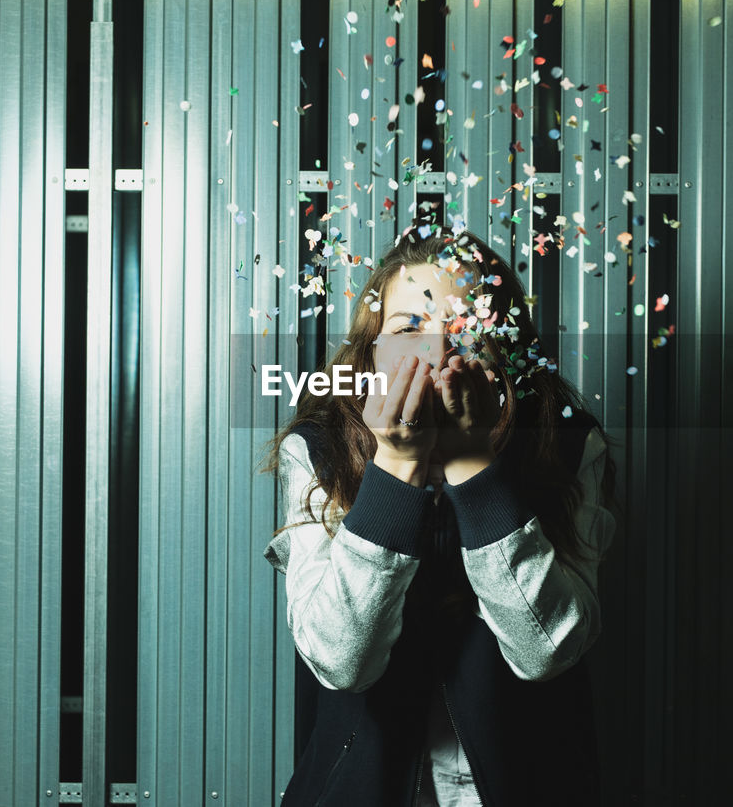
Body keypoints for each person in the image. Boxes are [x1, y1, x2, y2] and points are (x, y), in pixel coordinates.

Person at [259, 218, 621, 806]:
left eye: (464, 327)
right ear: (372, 351)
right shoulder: (320, 447)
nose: (440, 349)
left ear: (503, 347)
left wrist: (475, 470)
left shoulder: (567, 444)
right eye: (410, 326)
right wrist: (395, 471)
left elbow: (548, 652)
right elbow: (339, 659)